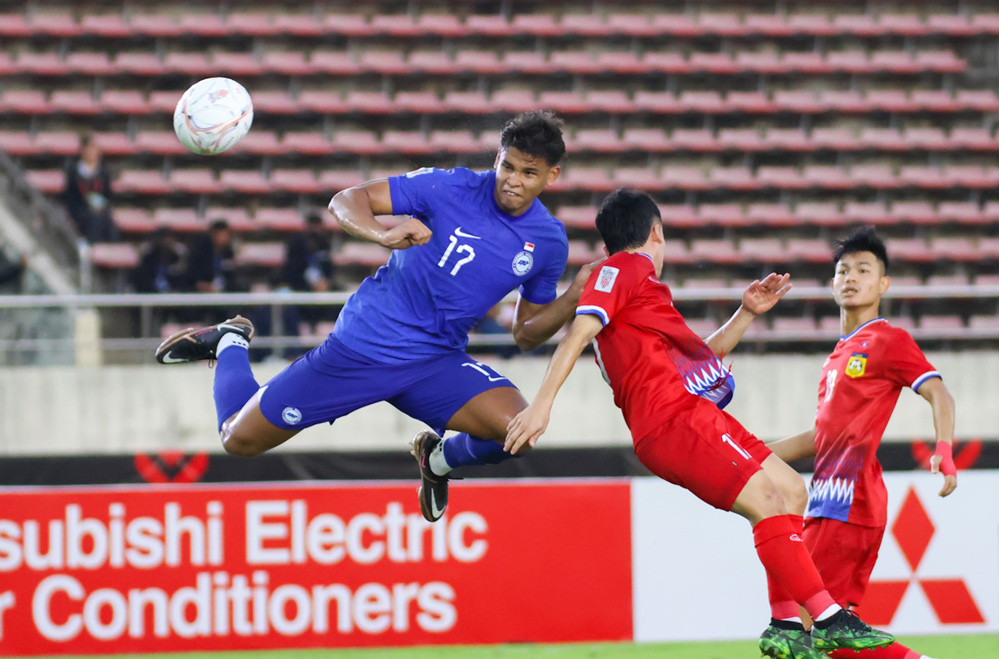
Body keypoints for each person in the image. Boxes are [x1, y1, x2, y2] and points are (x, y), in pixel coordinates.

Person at [504, 189, 895, 659]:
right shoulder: (625, 269)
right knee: (767, 500)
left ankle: (788, 624)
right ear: (656, 233)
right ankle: (829, 618)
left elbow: (696, 362)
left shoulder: (636, 293)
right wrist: (543, 404)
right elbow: (578, 334)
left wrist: (746, 313)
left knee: (791, 489)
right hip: (672, 421)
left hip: (689, 412)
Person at [154, 111, 597, 522]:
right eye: (508, 167)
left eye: (529, 173)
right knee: (237, 439)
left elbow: (525, 334)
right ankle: (231, 342)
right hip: (362, 350)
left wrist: (572, 297)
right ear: (498, 159)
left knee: (517, 433)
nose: (513, 181)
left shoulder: (548, 242)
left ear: (551, 176)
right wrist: (382, 233)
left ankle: (437, 459)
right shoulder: (447, 187)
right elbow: (348, 199)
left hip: (435, 364)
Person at [766, 226, 955, 659]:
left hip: (850, 504)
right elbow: (822, 437)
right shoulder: (838, 355)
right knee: (821, 632)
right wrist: (750, 453)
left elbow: (939, 392)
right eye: (843, 270)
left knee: (808, 626)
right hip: (829, 502)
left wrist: (943, 449)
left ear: (882, 284)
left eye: (863, 270)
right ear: (833, 283)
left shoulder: (889, 340)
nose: (851, 277)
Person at [280, 211, 338, 333]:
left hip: (323, 288)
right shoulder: (296, 245)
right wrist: (310, 283)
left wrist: (326, 282)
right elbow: (291, 271)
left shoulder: (324, 244)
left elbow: (328, 268)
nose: (315, 231)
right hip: (300, 287)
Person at [62, 133, 118, 244]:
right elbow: (70, 196)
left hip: (100, 210)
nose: (92, 152)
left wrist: (101, 204)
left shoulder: (103, 172)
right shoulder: (73, 171)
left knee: (107, 221)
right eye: (89, 148)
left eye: (95, 148)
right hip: (80, 210)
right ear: (82, 150)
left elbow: (108, 194)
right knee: (92, 218)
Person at [131, 227, 187, 294]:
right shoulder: (148, 258)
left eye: (169, 238)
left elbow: (180, 279)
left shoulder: (176, 258)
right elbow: (141, 280)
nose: (166, 242)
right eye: (163, 239)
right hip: (150, 293)